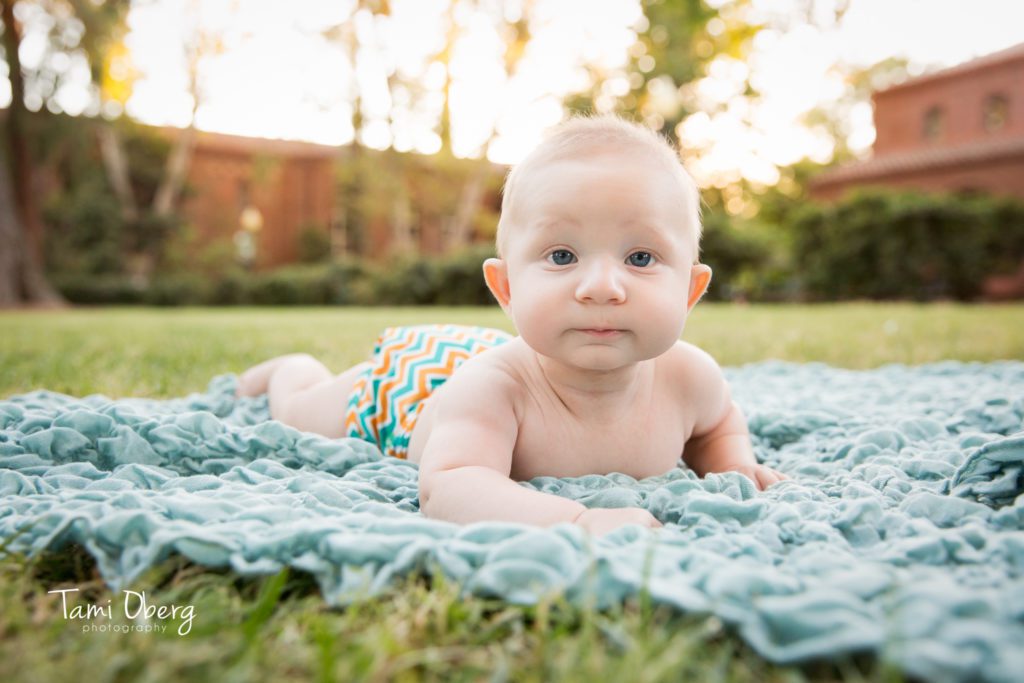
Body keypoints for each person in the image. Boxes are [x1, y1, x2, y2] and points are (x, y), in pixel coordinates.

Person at [236, 114, 786, 536]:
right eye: (563, 256)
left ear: (691, 291)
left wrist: (731, 462)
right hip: (412, 388)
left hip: (486, 356)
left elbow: (717, 425)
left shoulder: (691, 379)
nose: (600, 287)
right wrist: (577, 522)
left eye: (640, 258)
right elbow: (448, 487)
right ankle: (293, 370)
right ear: (505, 288)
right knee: (300, 413)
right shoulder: (494, 391)